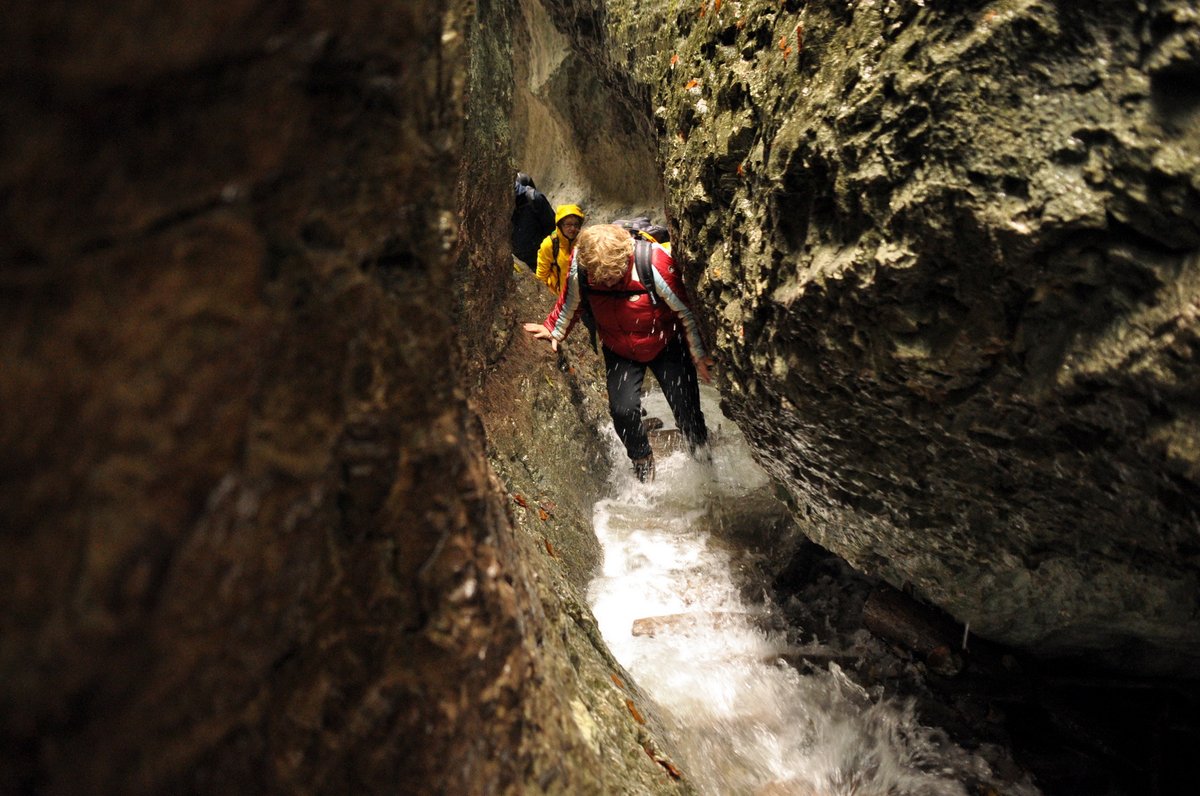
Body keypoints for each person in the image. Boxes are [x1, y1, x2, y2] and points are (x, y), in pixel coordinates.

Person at [523, 223, 713, 482]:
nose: (609, 282)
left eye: (614, 276)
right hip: (619, 348)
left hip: (667, 343)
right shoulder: (582, 266)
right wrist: (553, 330)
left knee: (687, 410)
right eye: (603, 279)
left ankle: (704, 463)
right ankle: (642, 462)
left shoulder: (653, 262)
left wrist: (699, 355)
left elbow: (686, 310)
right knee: (623, 411)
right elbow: (571, 301)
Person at [535, 204, 585, 295]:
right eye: (568, 224)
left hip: (579, 297)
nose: (573, 228)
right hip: (556, 297)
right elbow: (541, 277)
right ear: (560, 225)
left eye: (576, 224)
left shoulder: (583, 243)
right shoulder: (550, 244)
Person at [512, 173, 555, 271]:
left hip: (540, 261)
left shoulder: (533, 199)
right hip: (517, 264)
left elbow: (552, 229)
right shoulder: (497, 205)